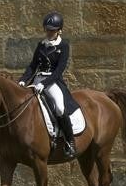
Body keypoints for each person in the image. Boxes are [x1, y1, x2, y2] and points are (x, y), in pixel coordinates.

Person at [18, 11, 80, 157]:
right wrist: (22, 80)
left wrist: (45, 84)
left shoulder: (63, 46)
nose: (49, 33)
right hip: (36, 81)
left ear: (59, 31)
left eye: (52, 30)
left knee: (59, 108)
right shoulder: (41, 45)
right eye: (47, 30)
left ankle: (69, 142)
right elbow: (33, 66)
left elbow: (59, 70)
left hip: (52, 82)